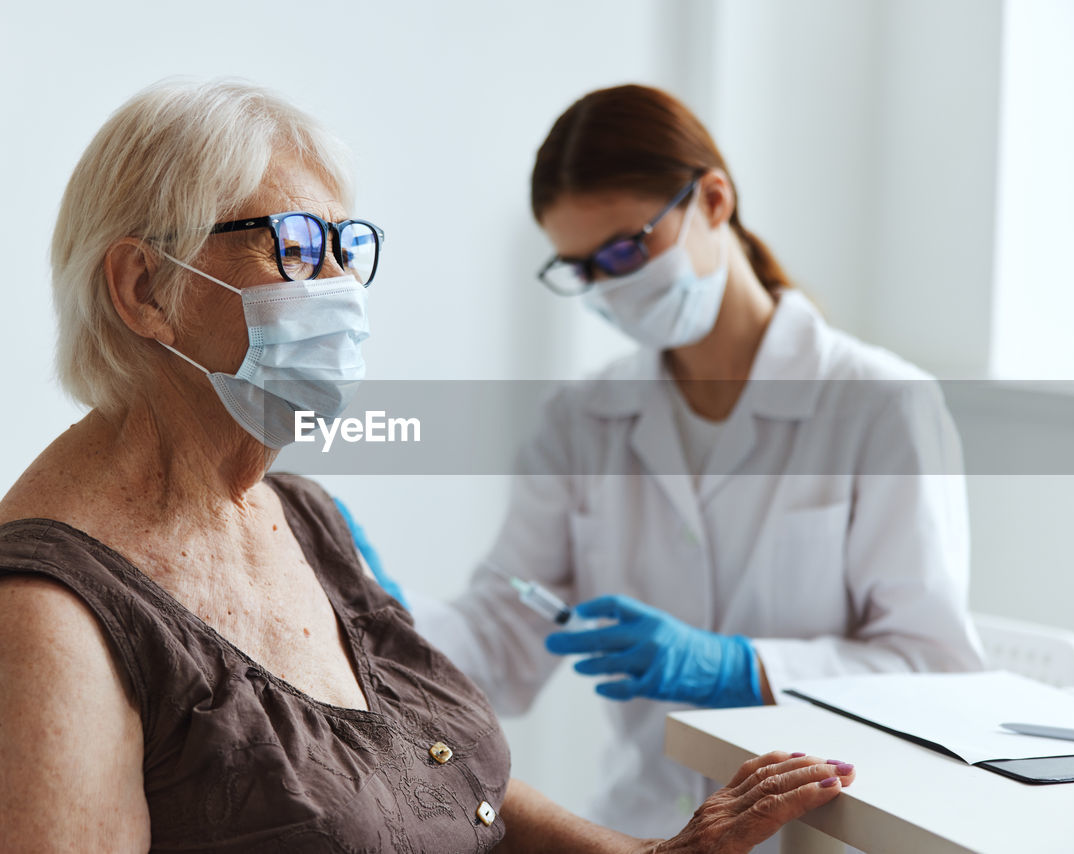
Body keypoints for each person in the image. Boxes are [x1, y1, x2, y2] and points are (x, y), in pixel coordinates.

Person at [0, 79, 856, 854]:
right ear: (145, 288)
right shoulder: (44, 620)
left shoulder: (296, 515)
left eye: (344, 246)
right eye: (293, 246)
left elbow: (433, 781)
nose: (339, 292)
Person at [409, 83, 980, 841]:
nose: (609, 286)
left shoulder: (879, 405)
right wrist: (377, 621)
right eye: (583, 269)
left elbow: (937, 670)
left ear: (714, 200)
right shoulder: (583, 420)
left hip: (821, 834)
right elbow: (507, 633)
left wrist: (743, 667)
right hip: (641, 828)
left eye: (624, 249)